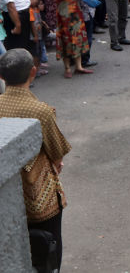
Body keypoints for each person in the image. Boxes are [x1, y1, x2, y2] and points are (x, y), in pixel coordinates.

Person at [0, 48, 72, 269]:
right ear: (33, 72)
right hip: (37, 195)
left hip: (6, 190)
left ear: (2, 76)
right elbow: (57, 151)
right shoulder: (41, 111)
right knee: (48, 247)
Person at [51, 0, 92, 78]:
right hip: (64, 16)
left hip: (76, 14)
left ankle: (79, 66)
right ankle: (67, 68)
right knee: (66, 40)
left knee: (78, 39)